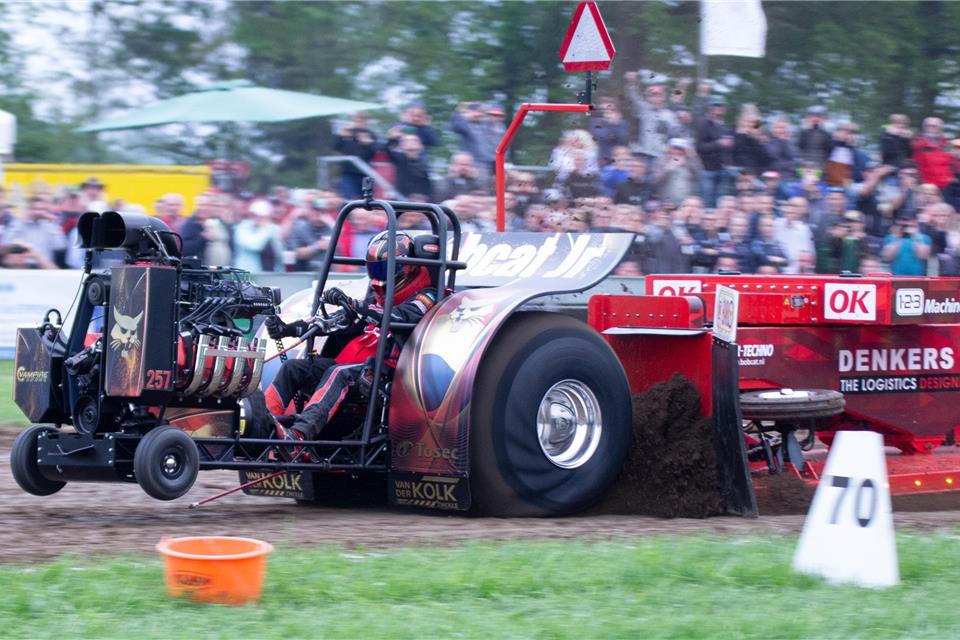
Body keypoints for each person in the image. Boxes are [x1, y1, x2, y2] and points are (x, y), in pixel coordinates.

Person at [264, 231, 438, 444]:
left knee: (338, 373)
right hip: (356, 366)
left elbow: (398, 317)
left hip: (393, 372)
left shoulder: (428, 296)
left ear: (406, 268)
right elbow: (335, 321)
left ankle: (298, 437)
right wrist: (288, 330)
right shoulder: (377, 298)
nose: (379, 276)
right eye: (375, 269)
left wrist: (356, 305)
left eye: (384, 269)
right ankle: (265, 422)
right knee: (293, 368)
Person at [332, 112, 379, 199]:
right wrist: (340, 135)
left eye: (362, 120)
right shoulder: (347, 132)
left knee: (368, 200)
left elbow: (375, 152)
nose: (359, 122)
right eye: (357, 120)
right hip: (348, 172)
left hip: (366, 173)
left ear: (366, 122)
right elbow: (335, 147)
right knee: (347, 199)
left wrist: (367, 143)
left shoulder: (371, 134)